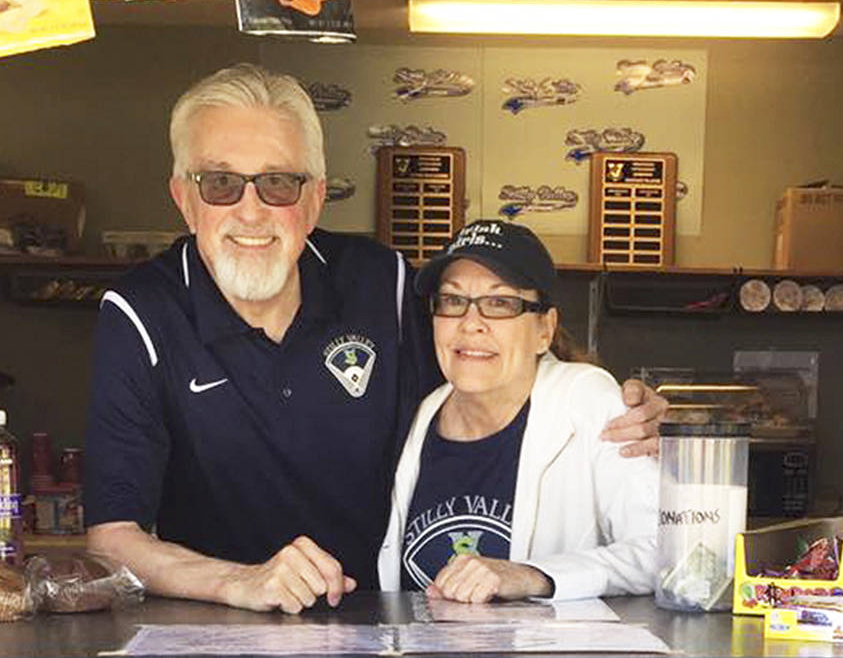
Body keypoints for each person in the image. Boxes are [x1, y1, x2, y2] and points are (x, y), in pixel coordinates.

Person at [85, 64, 668, 614]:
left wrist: (614, 408)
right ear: (183, 198)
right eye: (220, 184)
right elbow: (112, 538)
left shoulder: (379, 281)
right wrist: (241, 580)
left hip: (384, 625)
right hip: (217, 628)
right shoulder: (141, 312)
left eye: (279, 184)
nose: (251, 210)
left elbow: (481, 357)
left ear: (314, 199)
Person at [377, 220, 658, 602]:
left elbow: (662, 549)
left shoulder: (587, 399)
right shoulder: (425, 412)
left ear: (544, 329)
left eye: (500, 303)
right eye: (453, 300)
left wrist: (533, 576)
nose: (470, 323)